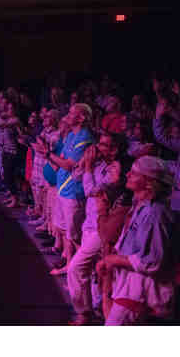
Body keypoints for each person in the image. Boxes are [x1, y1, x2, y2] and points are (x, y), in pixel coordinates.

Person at [96, 156, 176, 325]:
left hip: (139, 289)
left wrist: (114, 260)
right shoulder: (141, 205)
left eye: (134, 173)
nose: (128, 174)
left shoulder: (155, 214)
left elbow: (152, 261)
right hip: (130, 284)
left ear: (149, 183)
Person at [66, 132, 124, 325]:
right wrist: (85, 162)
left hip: (103, 227)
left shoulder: (115, 169)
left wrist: (89, 168)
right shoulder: (97, 164)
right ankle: (95, 309)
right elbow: (75, 176)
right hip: (89, 224)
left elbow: (90, 191)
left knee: (76, 267)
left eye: (104, 145)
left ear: (114, 150)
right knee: (91, 272)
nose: (98, 147)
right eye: (99, 143)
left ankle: (83, 312)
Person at [37, 103, 94, 275]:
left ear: (81, 118)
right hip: (62, 189)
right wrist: (47, 153)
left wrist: (48, 154)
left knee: (75, 235)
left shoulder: (84, 138)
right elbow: (60, 160)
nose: (67, 115)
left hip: (73, 192)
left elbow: (68, 165)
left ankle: (81, 271)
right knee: (65, 231)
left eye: (71, 113)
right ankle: (69, 264)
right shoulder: (70, 136)